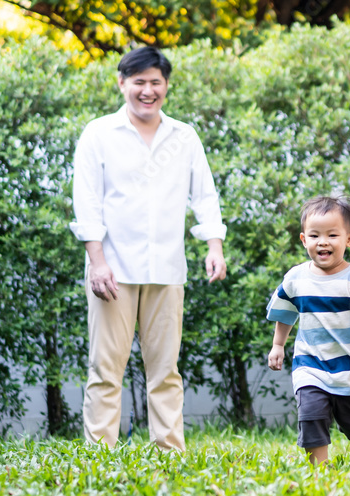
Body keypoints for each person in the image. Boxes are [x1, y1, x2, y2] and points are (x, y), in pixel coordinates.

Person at [70, 46, 227, 452]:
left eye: (155, 82)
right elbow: (86, 203)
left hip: (167, 269)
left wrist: (214, 245)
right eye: (139, 82)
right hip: (113, 272)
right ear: (122, 83)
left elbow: (204, 195)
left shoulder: (184, 136)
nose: (147, 90)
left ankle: (169, 452)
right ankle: (99, 454)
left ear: (166, 86)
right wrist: (97, 263)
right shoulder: (99, 134)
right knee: (106, 370)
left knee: (165, 371)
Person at [266, 195, 350, 465]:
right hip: (309, 364)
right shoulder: (296, 278)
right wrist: (278, 345)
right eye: (315, 235)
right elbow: (285, 312)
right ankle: (319, 470)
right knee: (311, 415)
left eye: (332, 235)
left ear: (349, 239)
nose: (323, 241)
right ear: (303, 240)